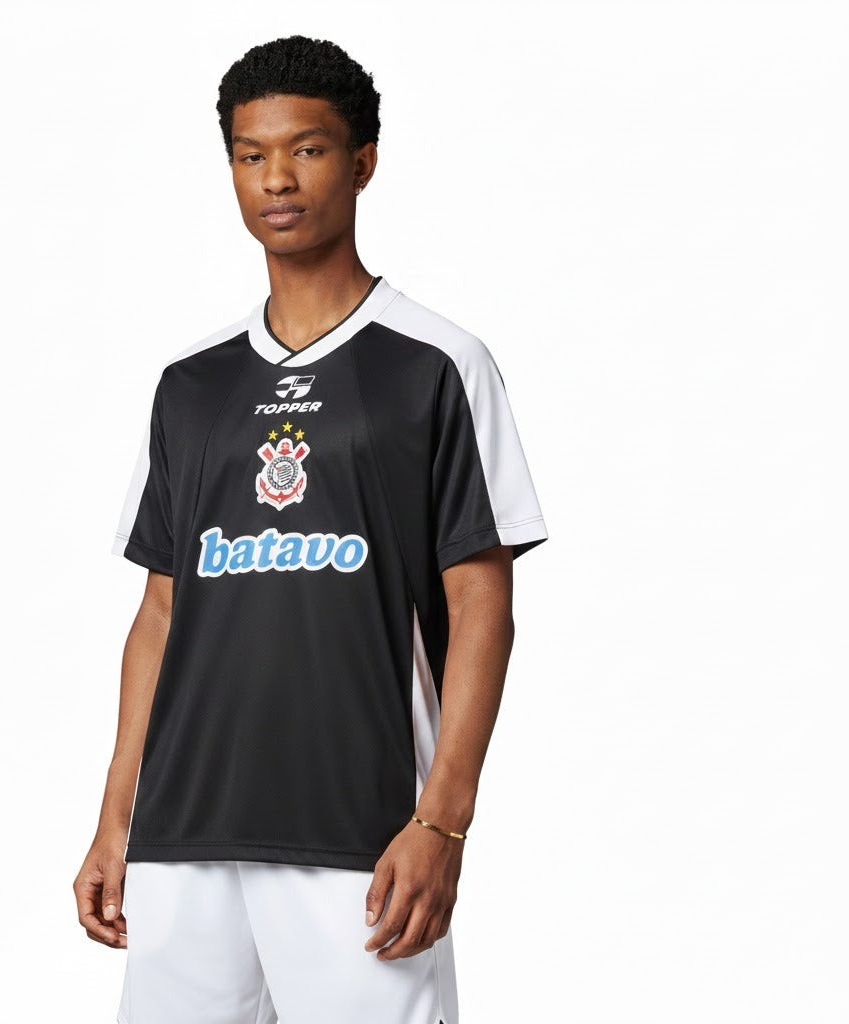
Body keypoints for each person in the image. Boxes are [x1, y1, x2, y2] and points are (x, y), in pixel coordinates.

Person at [73, 34, 548, 1024]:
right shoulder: (191, 385)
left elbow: (482, 606)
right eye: (251, 155)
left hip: (360, 838)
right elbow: (160, 611)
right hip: (183, 837)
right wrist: (117, 817)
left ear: (363, 161)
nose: (276, 179)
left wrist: (442, 823)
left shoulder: (436, 363)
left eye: (308, 149)